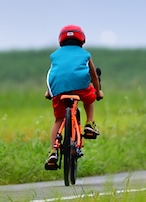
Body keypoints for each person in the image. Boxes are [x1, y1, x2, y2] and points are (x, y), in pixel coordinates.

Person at [43, 24, 103, 170]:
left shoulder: (55, 55)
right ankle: (89, 123)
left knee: (58, 119)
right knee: (90, 98)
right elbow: (93, 75)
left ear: (61, 40)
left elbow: (55, 74)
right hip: (81, 87)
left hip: (59, 90)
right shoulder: (85, 54)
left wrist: (48, 92)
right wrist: (98, 91)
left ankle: (53, 151)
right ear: (82, 40)